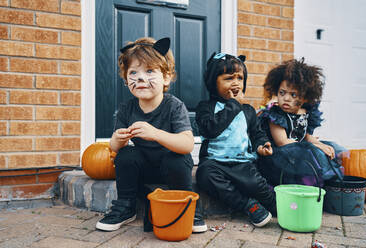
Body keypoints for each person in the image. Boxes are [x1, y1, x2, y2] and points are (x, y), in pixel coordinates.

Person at [96, 37, 207, 233]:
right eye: (133, 72)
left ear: (165, 77)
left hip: (171, 167)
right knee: (125, 156)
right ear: (125, 79)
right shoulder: (127, 109)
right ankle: (125, 206)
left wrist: (156, 134)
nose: (140, 78)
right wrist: (118, 140)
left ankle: (188, 206)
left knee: (177, 158)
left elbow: (188, 144)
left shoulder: (174, 106)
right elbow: (113, 148)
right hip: (143, 169)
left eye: (149, 71)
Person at [195, 52, 276, 227]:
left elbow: (256, 133)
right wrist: (233, 105)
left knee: (255, 183)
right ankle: (248, 205)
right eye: (229, 78)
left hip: (242, 162)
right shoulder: (205, 108)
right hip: (214, 162)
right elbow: (210, 129)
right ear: (213, 82)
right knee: (204, 175)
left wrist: (261, 145)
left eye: (240, 78)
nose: (236, 83)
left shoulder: (248, 110)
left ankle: (280, 206)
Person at [258, 58, 346, 187]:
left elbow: (306, 135)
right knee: (310, 154)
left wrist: (319, 144)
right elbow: (281, 142)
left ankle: (318, 190)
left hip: (300, 151)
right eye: (282, 93)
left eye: (293, 95)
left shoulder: (305, 111)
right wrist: (311, 147)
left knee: (324, 151)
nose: (286, 98)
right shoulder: (275, 115)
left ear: (305, 97)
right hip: (281, 155)